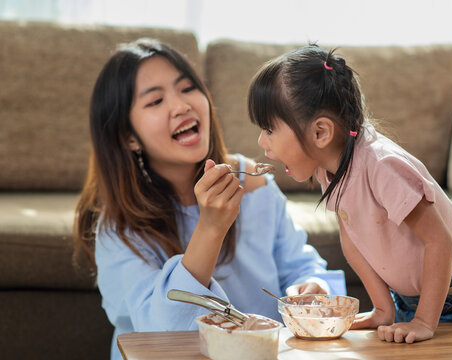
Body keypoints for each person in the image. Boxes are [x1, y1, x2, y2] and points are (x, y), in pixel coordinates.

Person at [73, 38, 345, 360]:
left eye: (187, 88)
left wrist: (313, 287)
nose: (181, 105)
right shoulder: (119, 227)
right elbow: (162, 329)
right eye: (156, 101)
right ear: (129, 137)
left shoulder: (254, 185)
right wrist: (210, 229)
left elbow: (299, 265)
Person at [247, 44, 452, 344]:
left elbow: (439, 241)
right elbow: (352, 241)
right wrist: (383, 308)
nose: (262, 142)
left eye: (269, 129)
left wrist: (423, 322)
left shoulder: (382, 166)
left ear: (320, 133)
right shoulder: (328, 170)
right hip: (416, 301)